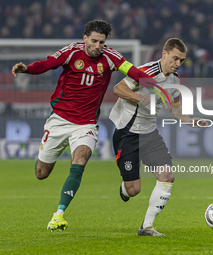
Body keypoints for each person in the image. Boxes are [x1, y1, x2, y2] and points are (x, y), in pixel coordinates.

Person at [12, 20, 159, 232]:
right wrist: (26, 69)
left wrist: (156, 85)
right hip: (59, 120)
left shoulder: (111, 57)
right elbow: (46, 64)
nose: (98, 46)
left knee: (80, 158)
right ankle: (48, 159)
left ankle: (59, 214)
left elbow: (133, 71)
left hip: (86, 124)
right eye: (94, 41)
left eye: (101, 42)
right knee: (41, 173)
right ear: (85, 38)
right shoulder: (71, 52)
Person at [109, 38, 209, 236]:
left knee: (167, 176)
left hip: (150, 133)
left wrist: (190, 121)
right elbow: (118, 89)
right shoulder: (145, 72)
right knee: (133, 190)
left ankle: (147, 227)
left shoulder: (174, 80)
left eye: (181, 60)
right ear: (164, 54)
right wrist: (140, 97)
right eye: (174, 58)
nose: (178, 64)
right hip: (128, 133)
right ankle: (125, 186)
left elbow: (174, 108)